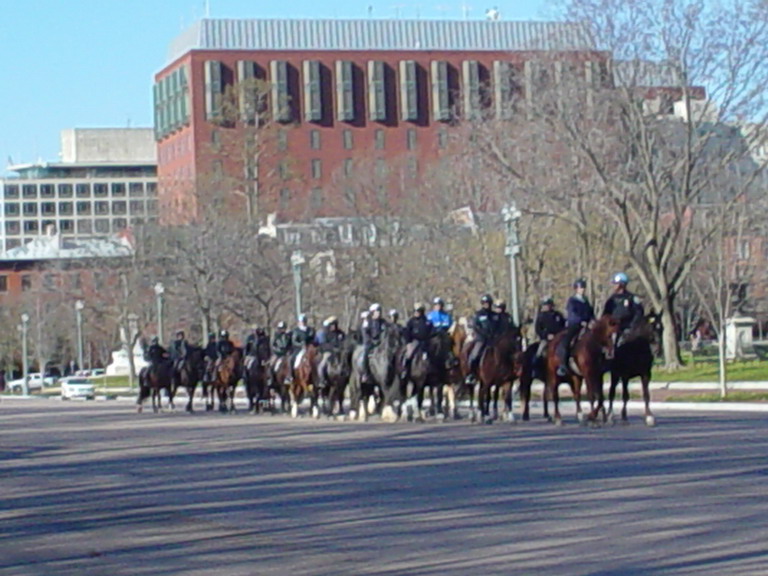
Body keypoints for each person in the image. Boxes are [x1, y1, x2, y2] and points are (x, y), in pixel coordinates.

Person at [555, 278, 595, 377]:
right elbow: (573, 314)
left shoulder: (586, 301)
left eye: (583, 287)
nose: (583, 289)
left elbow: (591, 313)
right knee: (565, 343)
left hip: (587, 325)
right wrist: (581, 322)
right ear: (576, 289)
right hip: (575, 325)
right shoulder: (572, 301)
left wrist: (593, 321)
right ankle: (562, 365)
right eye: (581, 287)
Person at [602, 272, 645, 344]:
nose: (614, 285)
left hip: (627, 328)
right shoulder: (611, 299)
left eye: (616, 283)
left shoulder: (631, 298)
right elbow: (606, 314)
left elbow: (638, 313)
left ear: (622, 284)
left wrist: (631, 326)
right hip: (613, 328)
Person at [466, 294, 499, 383]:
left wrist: (496, 335)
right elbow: (476, 327)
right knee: (474, 355)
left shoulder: (495, 315)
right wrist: (484, 335)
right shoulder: (478, 315)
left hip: (494, 340)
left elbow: (499, 327)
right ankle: (471, 374)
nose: (486, 305)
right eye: (484, 303)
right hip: (481, 339)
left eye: (488, 303)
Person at [401, 303, 434, 380]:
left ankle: (431, 373)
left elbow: (431, 332)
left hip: (425, 343)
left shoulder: (427, 322)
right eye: (415, 311)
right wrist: (408, 342)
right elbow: (407, 332)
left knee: (431, 355)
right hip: (414, 342)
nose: (417, 312)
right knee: (408, 355)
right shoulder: (411, 322)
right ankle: (405, 370)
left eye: (419, 311)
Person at [317, 317, 346, 388]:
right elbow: (323, 344)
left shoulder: (340, 333)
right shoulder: (325, 333)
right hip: (329, 352)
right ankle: (322, 380)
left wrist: (341, 347)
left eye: (335, 324)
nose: (334, 326)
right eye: (332, 325)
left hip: (340, 351)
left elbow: (344, 341)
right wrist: (332, 348)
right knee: (322, 366)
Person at [362, 303, 387, 382]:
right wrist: (372, 341)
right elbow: (365, 334)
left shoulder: (383, 322)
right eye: (377, 311)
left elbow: (386, 332)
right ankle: (366, 374)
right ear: (372, 312)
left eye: (380, 311)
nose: (379, 313)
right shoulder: (367, 322)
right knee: (365, 355)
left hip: (382, 343)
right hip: (371, 343)